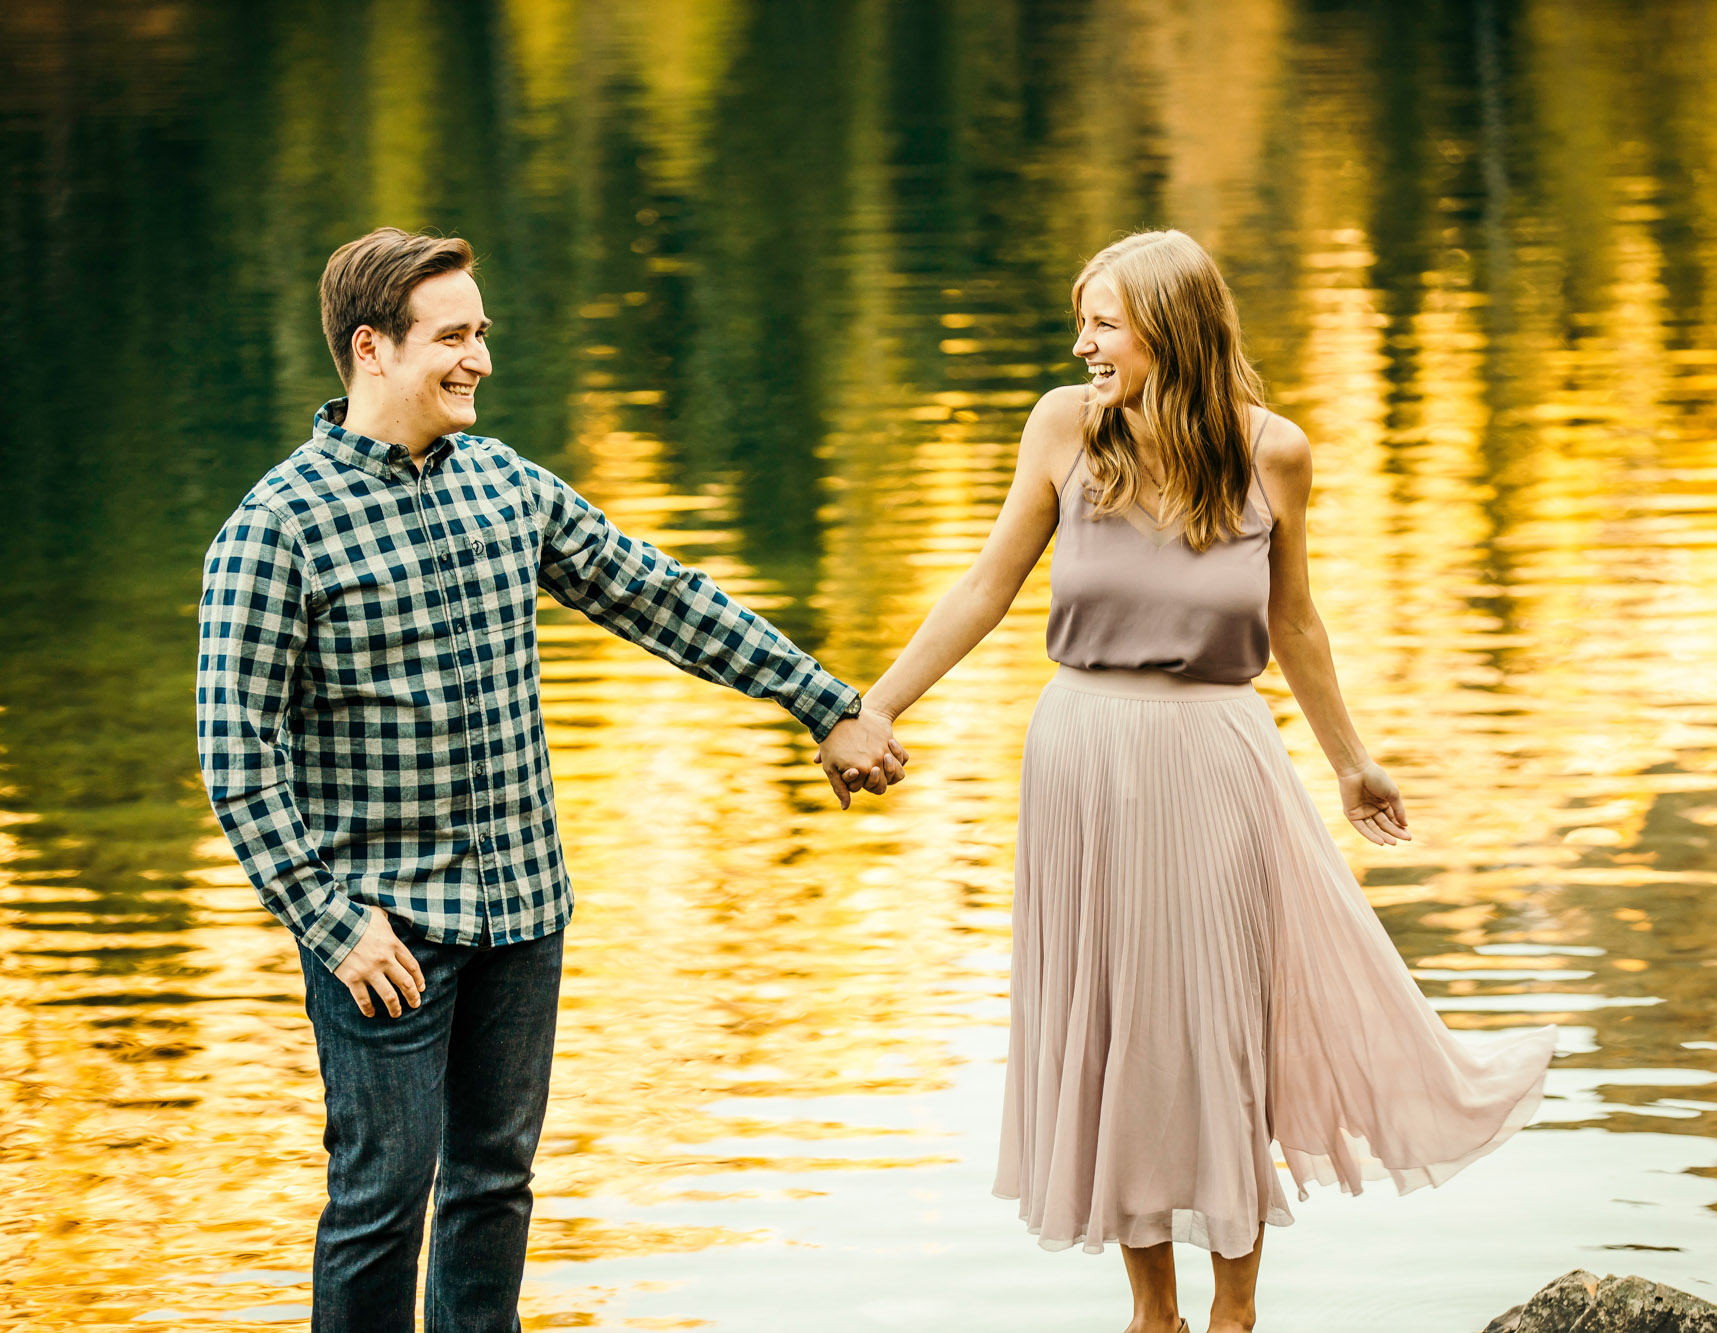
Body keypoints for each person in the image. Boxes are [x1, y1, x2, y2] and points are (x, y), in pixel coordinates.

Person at [194, 227, 903, 1332]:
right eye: (454, 336)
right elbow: (237, 756)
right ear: (371, 348)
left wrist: (823, 699)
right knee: (381, 1199)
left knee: (494, 1186)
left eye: (481, 333)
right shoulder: (274, 529)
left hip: (524, 909)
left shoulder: (507, 486)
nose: (479, 357)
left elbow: (658, 597)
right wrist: (332, 925)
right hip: (382, 932)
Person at [856, 230, 1558, 1333]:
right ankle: (1152, 1314)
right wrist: (878, 702)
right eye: (1080, 318)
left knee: (1220, 1026)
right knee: (1115, 1028)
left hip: (1216, 758)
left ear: (1170, 329)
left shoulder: (1273, 453)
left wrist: (1349, 759)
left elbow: (1293, 621)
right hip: (1084, 757)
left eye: (1102, 322)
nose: (1080, 341)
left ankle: (1231, 1315)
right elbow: (985, 586)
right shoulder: (1061, 428)